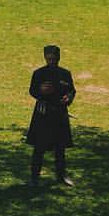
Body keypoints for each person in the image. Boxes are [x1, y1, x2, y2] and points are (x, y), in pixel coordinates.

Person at [26, 44, 76, 186]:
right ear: (45, 58)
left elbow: (72, 90)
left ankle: (61, 176)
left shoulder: (65, 74)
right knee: (39, 147)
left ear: (58, 58)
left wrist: (69, 97)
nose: (51, 61)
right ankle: (34, 178)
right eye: (49, 58)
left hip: (59, 113)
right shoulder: (39, 73)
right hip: (43, 114)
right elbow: (32, 90)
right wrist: (40, 90)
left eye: (54, 58)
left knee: (60, 147)